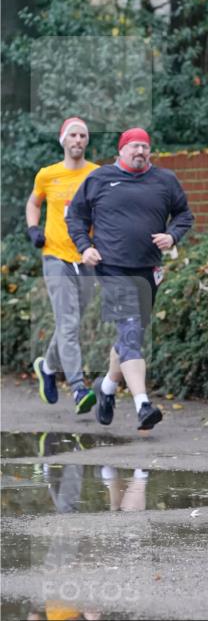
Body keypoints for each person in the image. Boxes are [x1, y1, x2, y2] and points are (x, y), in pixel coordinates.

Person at [66, 127, 194, 430]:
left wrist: (172, 236)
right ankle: (143, 405)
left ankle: (107, 387)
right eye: (134, 146)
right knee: (132, 331)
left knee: (130, 336)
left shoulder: (165, 180)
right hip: (112, 268)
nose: (140, 152)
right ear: (120, 150)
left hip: (148, 270)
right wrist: (85, 248)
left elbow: (184, 215)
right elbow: (76, 217)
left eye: (144, 147)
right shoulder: (99, 178)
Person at [26, 117, 98, 414]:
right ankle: (79, 387)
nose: (78, 140)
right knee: (68, 323)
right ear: (63, 140)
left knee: (72, 321)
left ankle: (47, 365)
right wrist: (33, 229)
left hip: (86, 256)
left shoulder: (97, 175)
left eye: (83, 135)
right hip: (55, 255)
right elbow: (34, 203)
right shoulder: (47, 175)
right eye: (73, 135)